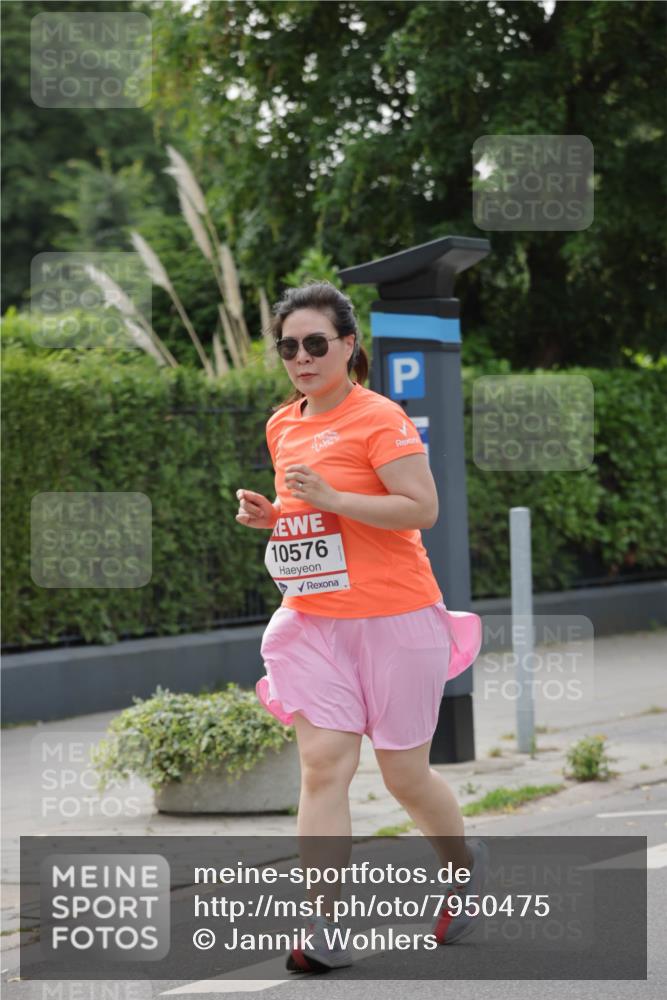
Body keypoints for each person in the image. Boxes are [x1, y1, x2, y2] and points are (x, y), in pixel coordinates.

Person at [235, 280, 486, 974]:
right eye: (288, 346)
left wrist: (334, 497)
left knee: (404, 775)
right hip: (314, 620)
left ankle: (462, 866)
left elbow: (420, 509)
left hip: (395, 619)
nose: (301, 358)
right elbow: (308, 515)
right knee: (323, 766)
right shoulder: (282, 424)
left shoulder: (380, 417)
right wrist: (274, 516)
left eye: (316, 343)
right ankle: (322, 925)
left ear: (348, 345)